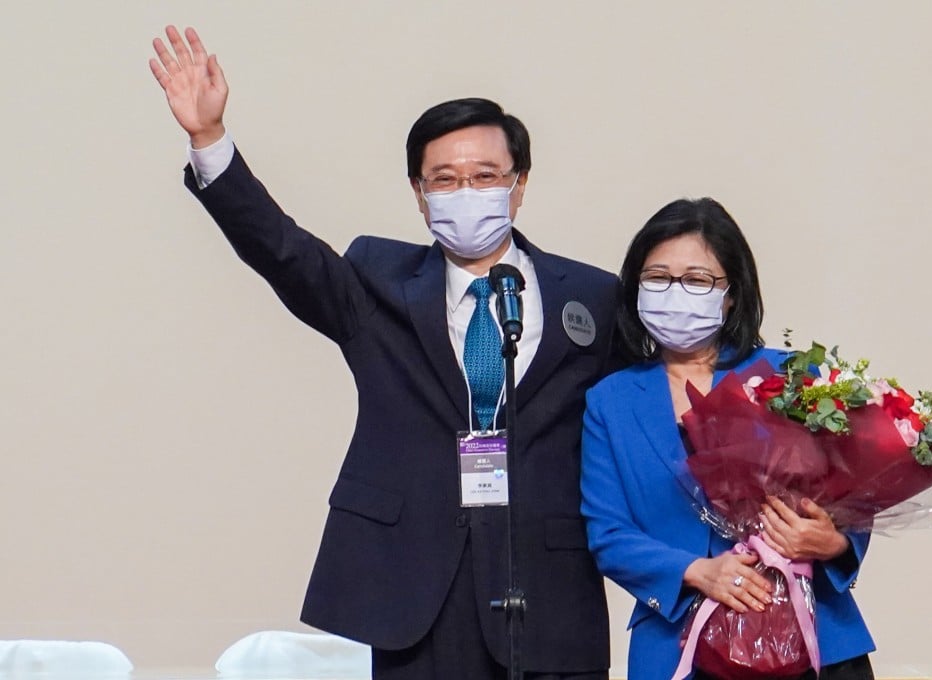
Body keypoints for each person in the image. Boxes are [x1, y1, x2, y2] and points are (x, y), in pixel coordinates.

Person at [149, 25, 618, 680]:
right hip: (418, 586)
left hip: (548, 587)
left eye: (485, 176)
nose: (467, 193)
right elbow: (283, 251)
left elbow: (649, 412)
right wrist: (209, 140)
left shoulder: (593, 298)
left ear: (519, 185)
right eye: (445, 180)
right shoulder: (379, 282)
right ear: (419, 196)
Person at [580, 198, 876, 680]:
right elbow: (608, 534)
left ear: (732, 293)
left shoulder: (792, 377)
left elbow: (856, 495)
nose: (675, 293)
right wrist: (697, 571)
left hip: (814, 641)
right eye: (657, 278)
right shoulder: (610, 401)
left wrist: (834, 540)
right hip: (678, 650)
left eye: (697, 280)